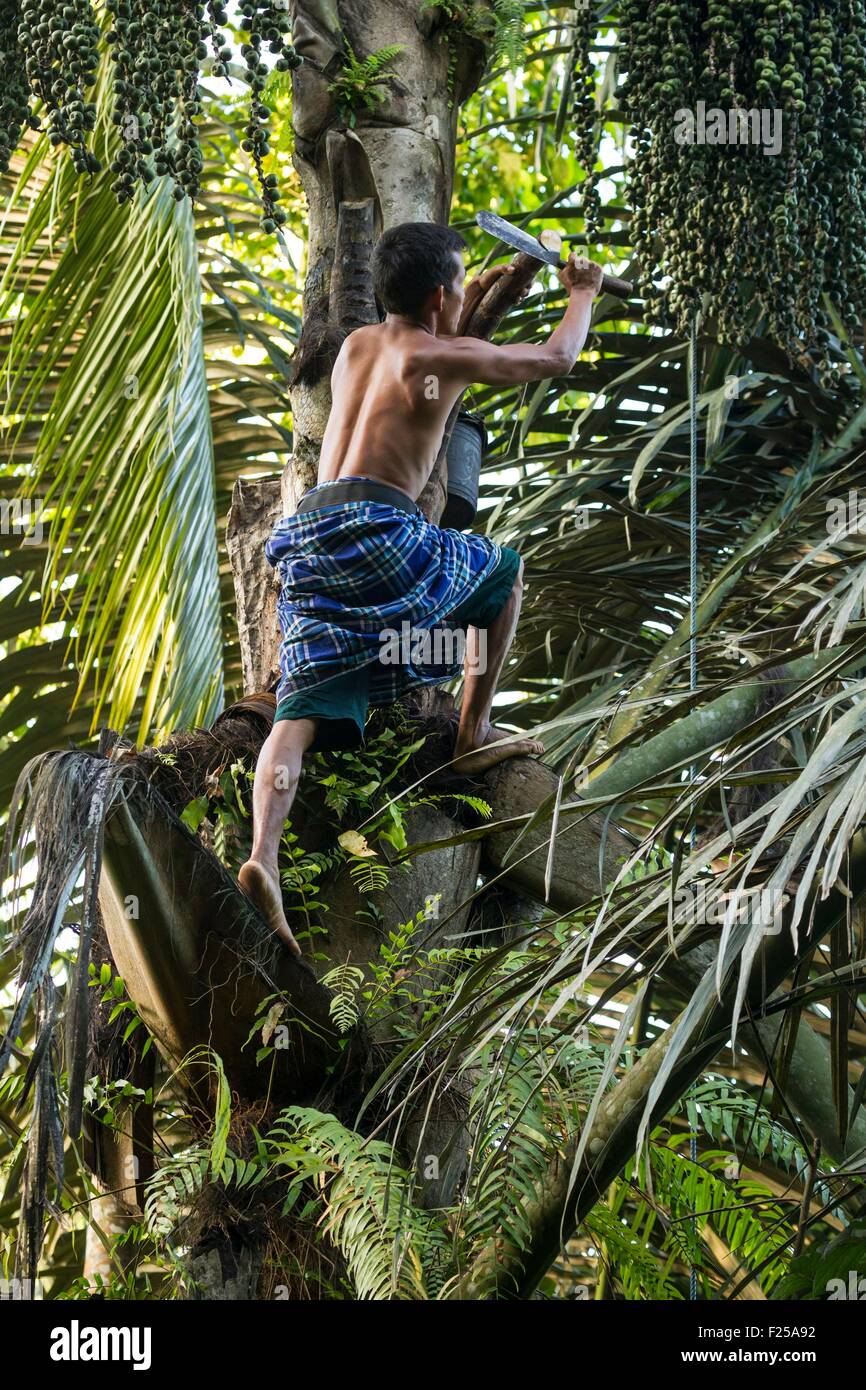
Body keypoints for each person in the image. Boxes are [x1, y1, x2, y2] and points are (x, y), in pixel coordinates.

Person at [238, 221, 604, 953]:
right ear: (442, 295)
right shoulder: (446, 354)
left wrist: (502, 283)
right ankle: (471, 731)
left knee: (299, 710)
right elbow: (559, 357)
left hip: (310, 536)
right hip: (380, 530)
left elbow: (444, 346)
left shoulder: (356, 349)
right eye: (463, 283)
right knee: (501, 571)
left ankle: (262, 856)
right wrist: (583, 292)